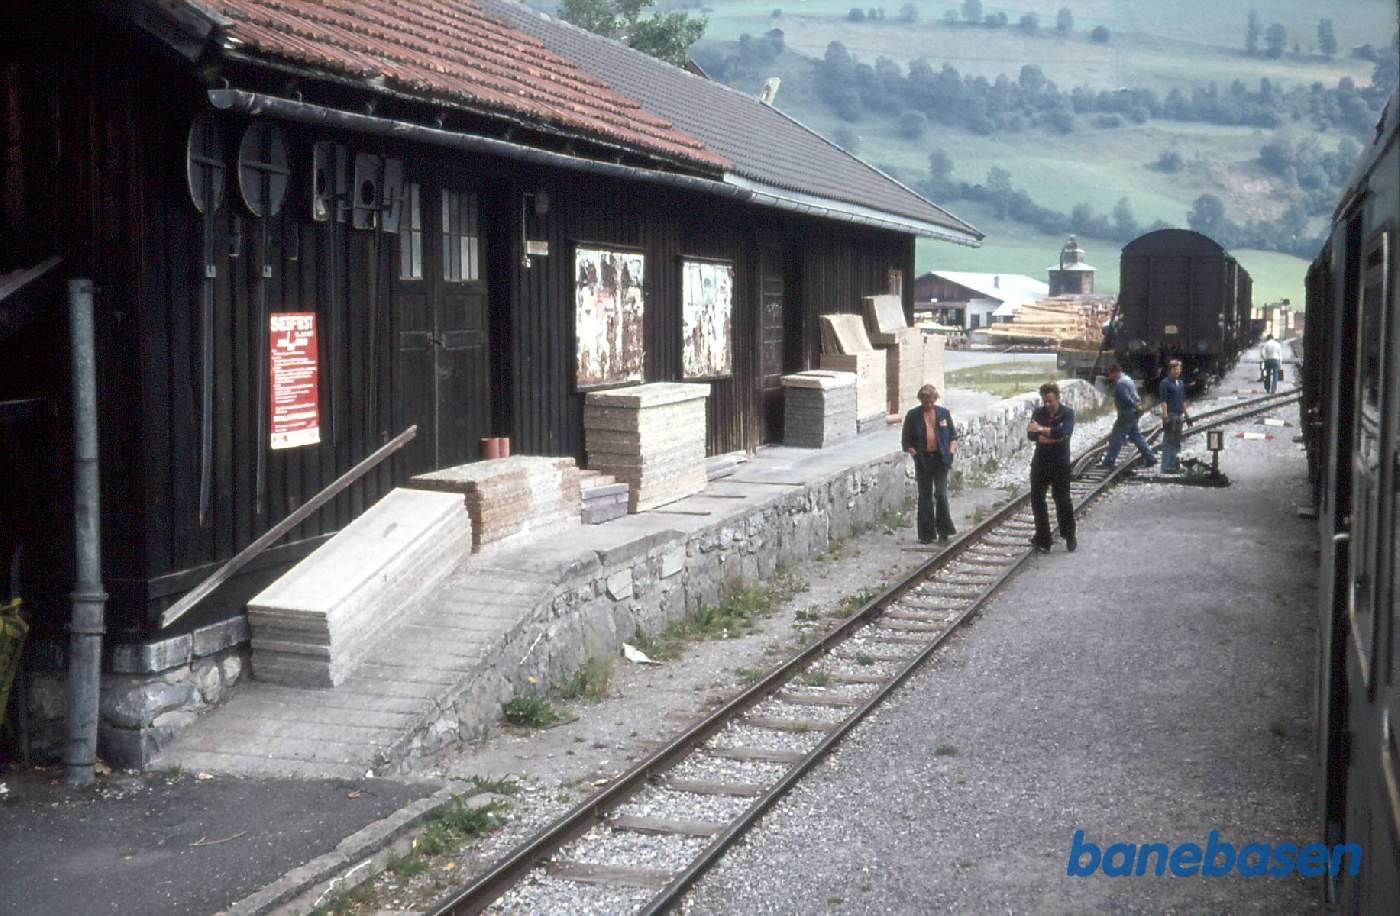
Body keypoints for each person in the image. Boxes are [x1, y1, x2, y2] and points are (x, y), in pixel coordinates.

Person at [902, 384, 959, 545]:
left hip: (941, 460)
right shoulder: (913, 415)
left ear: (935, 399)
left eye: (932, 401)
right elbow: (906, 441)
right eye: (926, 401)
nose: (929, 404)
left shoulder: (943, 413)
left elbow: (953, 436)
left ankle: (944, 531)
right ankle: (926, 534)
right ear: (921, 400)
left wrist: (951, 451)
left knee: (940, 494)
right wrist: (914, 453)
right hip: (923, 460)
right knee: (925, 496)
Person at [1027, 382, 1076, 553]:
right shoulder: (1038, 412)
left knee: (1062, 500)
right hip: (1040, 462)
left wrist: (1042, 430)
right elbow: (1032, 435)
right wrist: (1052, 435)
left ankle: (1069, 534)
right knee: (1037, 500)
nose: (1047, 405)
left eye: (1050, 401)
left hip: (1060, 463)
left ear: (1058, 398)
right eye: (1045, 401)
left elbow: (1063, 432)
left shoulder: (1068, 413)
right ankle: (1043, 538)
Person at [1099, 364, 1156, 469]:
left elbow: (1127, 398)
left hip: (1126, 414)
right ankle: (1150, 458)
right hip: (1133, 413)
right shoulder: (1128, 379)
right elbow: (1135, 396)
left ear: (1115, 372)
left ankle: (1109, 461)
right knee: (1136, 436)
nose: (1109, 377)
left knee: (1116, 437)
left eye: (1110, 374)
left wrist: (1135, 406)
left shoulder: (1121, 383)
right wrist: (1138, 406)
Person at [1158, 359, 1188, 474]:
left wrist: (1187, 415)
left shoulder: (1180, 383)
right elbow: (1164, 401)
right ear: (1170, 370)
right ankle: (1166, 466)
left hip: (1179, 415)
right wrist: (1165, 416)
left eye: (1179, 369)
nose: (1177, 371)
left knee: (1177, 441)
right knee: (1168, 440)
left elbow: (1182, 400)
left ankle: (1175, 465)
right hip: (1170, 415)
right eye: (1175, 369)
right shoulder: (1165, 383)